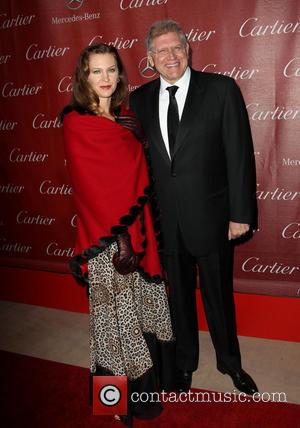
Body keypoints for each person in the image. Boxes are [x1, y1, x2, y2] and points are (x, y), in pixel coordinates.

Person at [130, 20, 258, 395]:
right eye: (162, 51)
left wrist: (241, 214)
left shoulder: (220, 90)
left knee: (218, 295)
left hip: (213, 218)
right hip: (165, 222)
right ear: (150, 58)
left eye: (177, 48)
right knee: (179, 299)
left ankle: (230, 364)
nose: (171, 56)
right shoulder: (139, 100)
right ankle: (185, 364)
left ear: (188, 50)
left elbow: (238, 155)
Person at [61, 43, 175, 426]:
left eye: (111, 70)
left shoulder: (124, 118)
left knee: (134, 318)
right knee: (110, 324)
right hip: (107, 240)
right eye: (96, 72)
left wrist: (139, 140)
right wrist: (120, 238)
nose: (106, 79)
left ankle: (140, 396)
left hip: (137, 233)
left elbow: (137, 177)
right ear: (84, 77)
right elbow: (92, 190)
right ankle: (113, 403)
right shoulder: (78, 122)